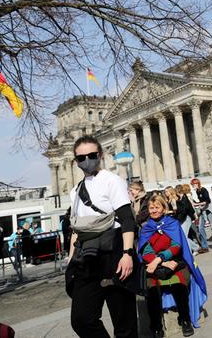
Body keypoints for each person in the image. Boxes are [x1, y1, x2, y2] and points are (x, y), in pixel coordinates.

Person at [64, 135, 138, 338]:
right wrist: (71, 260)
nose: (87, 160)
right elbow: (76, 229)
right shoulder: (75, 190)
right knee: (81, 320)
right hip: (86, 256)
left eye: (91, 155)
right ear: (76, 161)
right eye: (81, 157)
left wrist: (127, 253)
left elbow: (126, 220)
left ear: (101, 155)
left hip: (113, 251)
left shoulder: (112, 181)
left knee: (123, 320)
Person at [138, 193, 207, 337]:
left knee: (179, 288)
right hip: (155, 265)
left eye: (157, 207)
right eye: (151, 208)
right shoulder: (146, 228)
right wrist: (160, 261)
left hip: (175, 263)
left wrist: (161, 258)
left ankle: (185, 320)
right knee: (152, 294)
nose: (154, 210)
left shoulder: (172, 224)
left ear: (164, 208)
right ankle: (156, 328)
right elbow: (145, 249)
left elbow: (176, 245)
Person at [191, 178, 212, 253]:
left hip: (208, 210)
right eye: (192, 185)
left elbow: (207, 201)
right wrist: (198, 204)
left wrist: (197, 204)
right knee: (201, 228)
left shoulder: (203, 190)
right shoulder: (197, 191)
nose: (193, 186)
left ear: (197, 184)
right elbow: (201, 201)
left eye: (193, 185)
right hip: (202, 210)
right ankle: (205, 247)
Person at [173, 185, 199, 255]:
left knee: (184, 236)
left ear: (177, 191)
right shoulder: (180, 199)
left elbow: (186, 209)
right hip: (183, 219)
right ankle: (195, 247)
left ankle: (190, 251)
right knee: (183, 236)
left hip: (186, 218)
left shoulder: (184, 198)